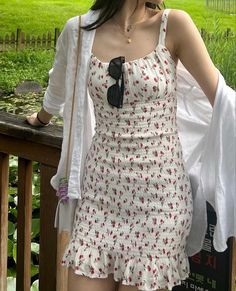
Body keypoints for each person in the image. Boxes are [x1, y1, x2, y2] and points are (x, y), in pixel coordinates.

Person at [26, 1, 236, 291]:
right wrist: (41, 117)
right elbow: (59, 85)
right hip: (99, 197)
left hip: (159, 203)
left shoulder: (173, 25)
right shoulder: (79, 31)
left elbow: (223, 100)